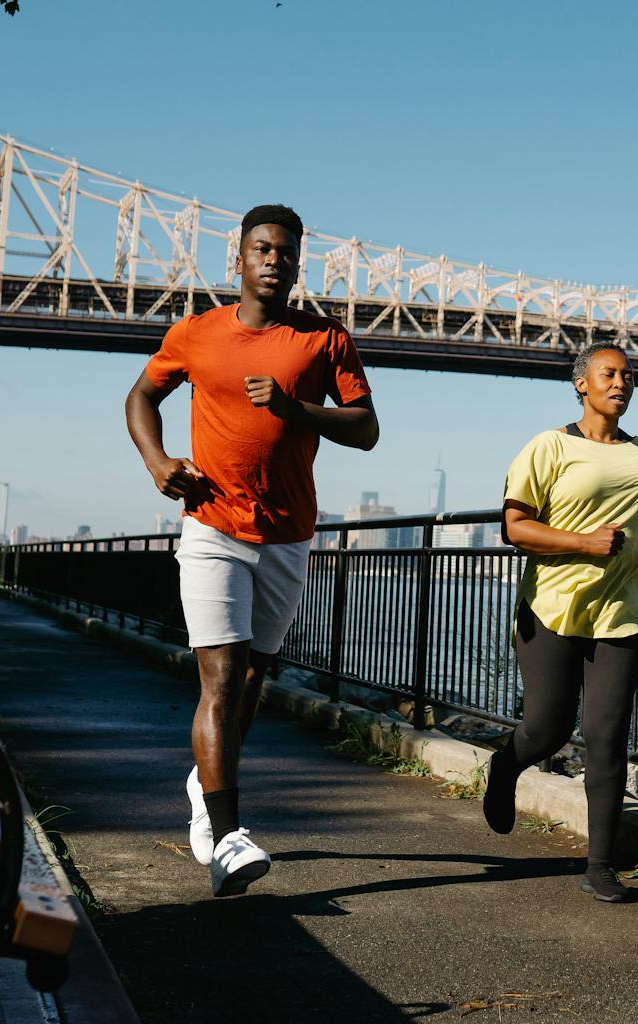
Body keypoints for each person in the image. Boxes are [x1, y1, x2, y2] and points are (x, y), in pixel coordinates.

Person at [125, 203, 379, 897]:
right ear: (237, 259)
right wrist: (157, 463)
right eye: (261, 249)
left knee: (252, 683)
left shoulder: (326, 342)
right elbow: (141, 397)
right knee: (219, 678)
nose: (274, 261)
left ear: (298, 265)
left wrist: (298, 411)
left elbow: (366, 430)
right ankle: (228, 838)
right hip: (211, 526)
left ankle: (207, 784)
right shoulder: (197, 334)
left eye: (286, 253)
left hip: (289, 535)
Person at [484, 342, 638, 902]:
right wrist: (583, 544)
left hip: (621, 613)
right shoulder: (548, 446)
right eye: (608, 373)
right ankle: (505, 764)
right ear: (581, 384)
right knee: (547, 728)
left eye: (628, 375)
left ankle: (600, 864)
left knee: (607, 737)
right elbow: (515, 528)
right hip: (553, 607)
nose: (621, 383)